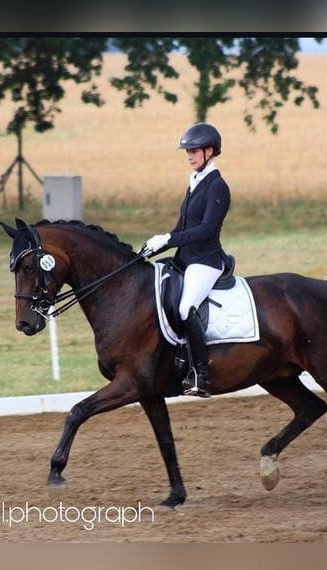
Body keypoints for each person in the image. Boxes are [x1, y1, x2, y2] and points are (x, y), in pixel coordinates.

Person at [141, 122, 232, 398]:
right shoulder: (194, 183)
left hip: (205, 261)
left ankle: (201, 375)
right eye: (188, 151)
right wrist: (154, 246)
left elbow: (205, 231)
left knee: (185, 308)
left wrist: (170, 239)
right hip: (186, 258)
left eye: (194, 151)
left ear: (210, 151)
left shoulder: (218, 187)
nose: (190, 156)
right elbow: (182, 227)